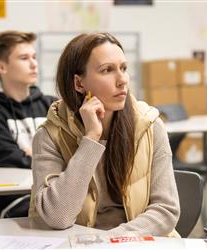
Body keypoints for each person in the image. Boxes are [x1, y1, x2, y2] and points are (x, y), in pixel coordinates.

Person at [29, 32, 180, 237]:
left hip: (137, 243)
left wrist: (111, 240)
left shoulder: (150, 126)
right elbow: (57, 216)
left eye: (124, 68)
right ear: (79, 84)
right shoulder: (49, 135)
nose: (122, 80)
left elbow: (166, 210)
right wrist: (91, 140)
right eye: (107, 70)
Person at [0, 30, 56, 218]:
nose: (34, 64)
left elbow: (71, 151)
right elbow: (6, 156)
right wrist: (52, 159)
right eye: (24, 58)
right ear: (2, 67)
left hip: (57, 194)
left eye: (34, 57)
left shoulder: (52, 105)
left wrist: (31, 153)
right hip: (16, 201)